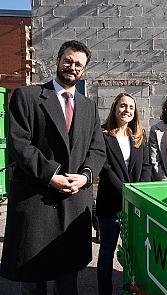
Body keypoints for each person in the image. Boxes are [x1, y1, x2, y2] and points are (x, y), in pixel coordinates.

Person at [1, 40, 106, 294]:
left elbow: (98, 150)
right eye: (68, 61)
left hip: (73, 204)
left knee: (67, 281)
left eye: (79, 65)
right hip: (37, 201)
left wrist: (85, 177)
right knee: (34, 282)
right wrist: (52, 175)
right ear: (58, 61)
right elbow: (19, 144)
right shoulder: (27, 96)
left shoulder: (88, 106)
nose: (72, 67)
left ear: (84, 70)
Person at [96, 93, 151, 294]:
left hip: (135, 206)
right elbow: (106, 168)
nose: (126, 110)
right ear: (114, 108)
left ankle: (132, 288)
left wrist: (139, 194)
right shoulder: (103, 135)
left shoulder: (138, 136)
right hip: (110, 205)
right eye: (122, 106)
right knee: (107, 251)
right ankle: (105, 291)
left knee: (135, 253)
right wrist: (127, 194)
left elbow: (146, 167)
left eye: (130, 107)